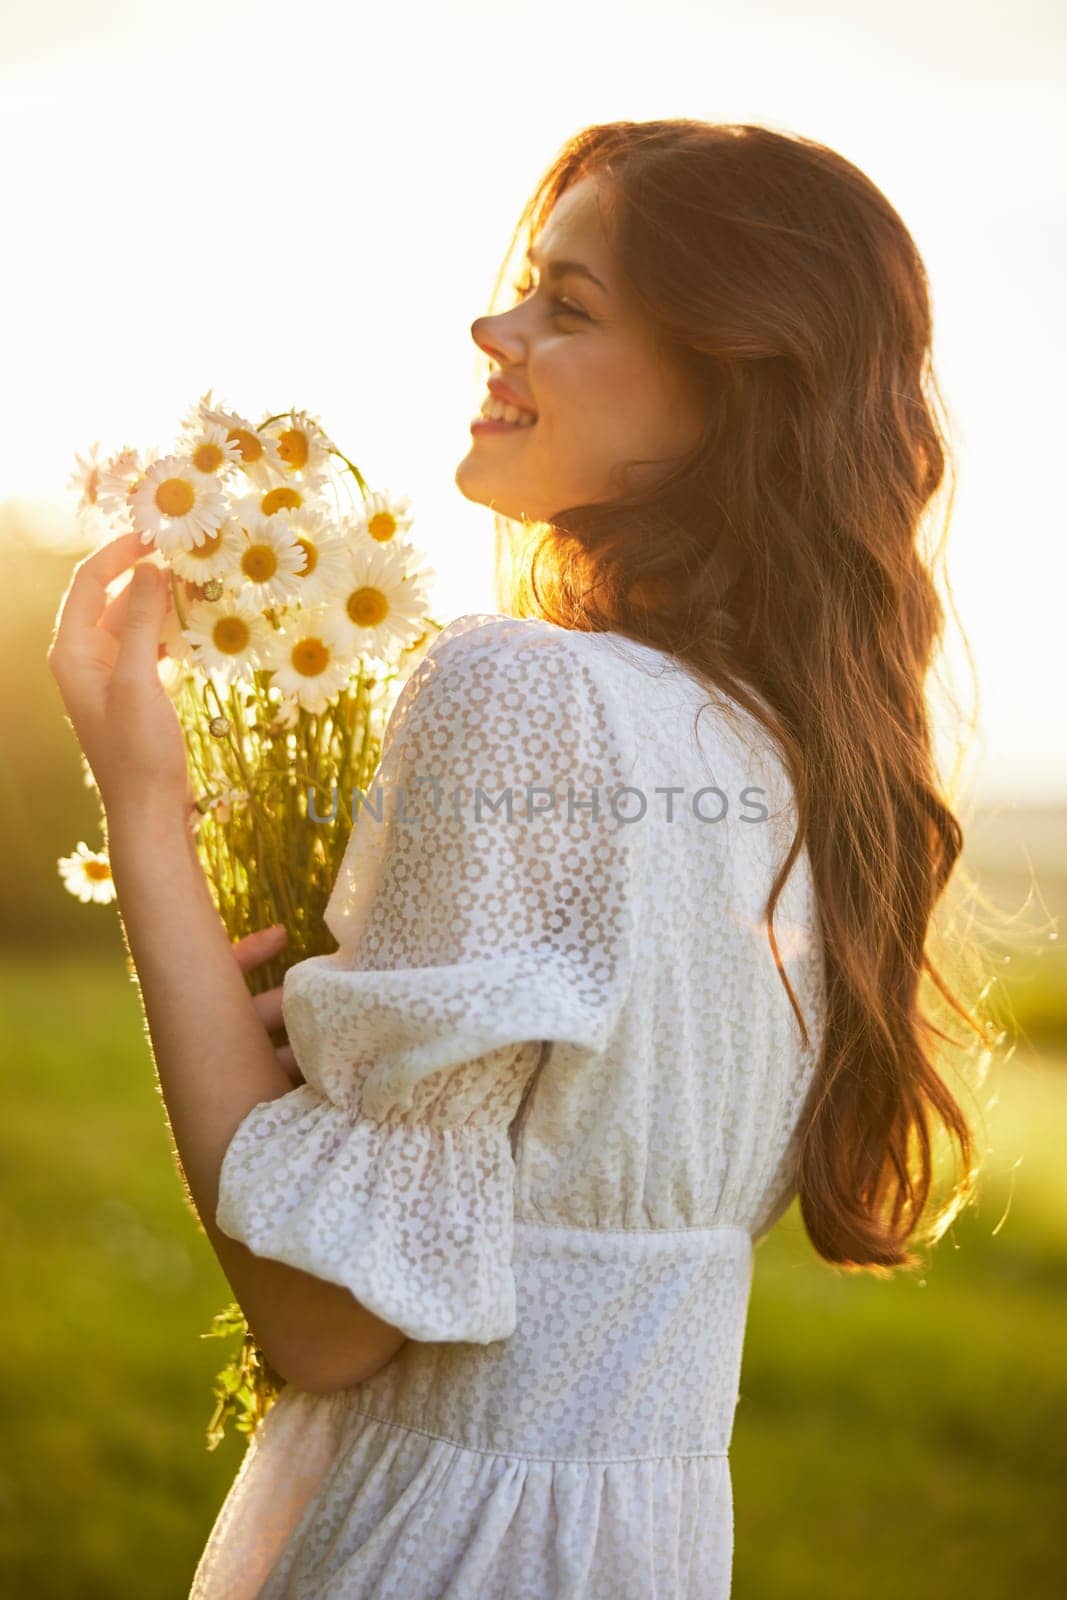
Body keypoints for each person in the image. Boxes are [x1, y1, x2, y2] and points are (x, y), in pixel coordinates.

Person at [48, 119, 994, 1599]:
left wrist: (145, 810)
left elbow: (328, 1321)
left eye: (571, 305)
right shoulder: (804, 762)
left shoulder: (526, 692)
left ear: (731, 385)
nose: (494, 329)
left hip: (439, 1547)